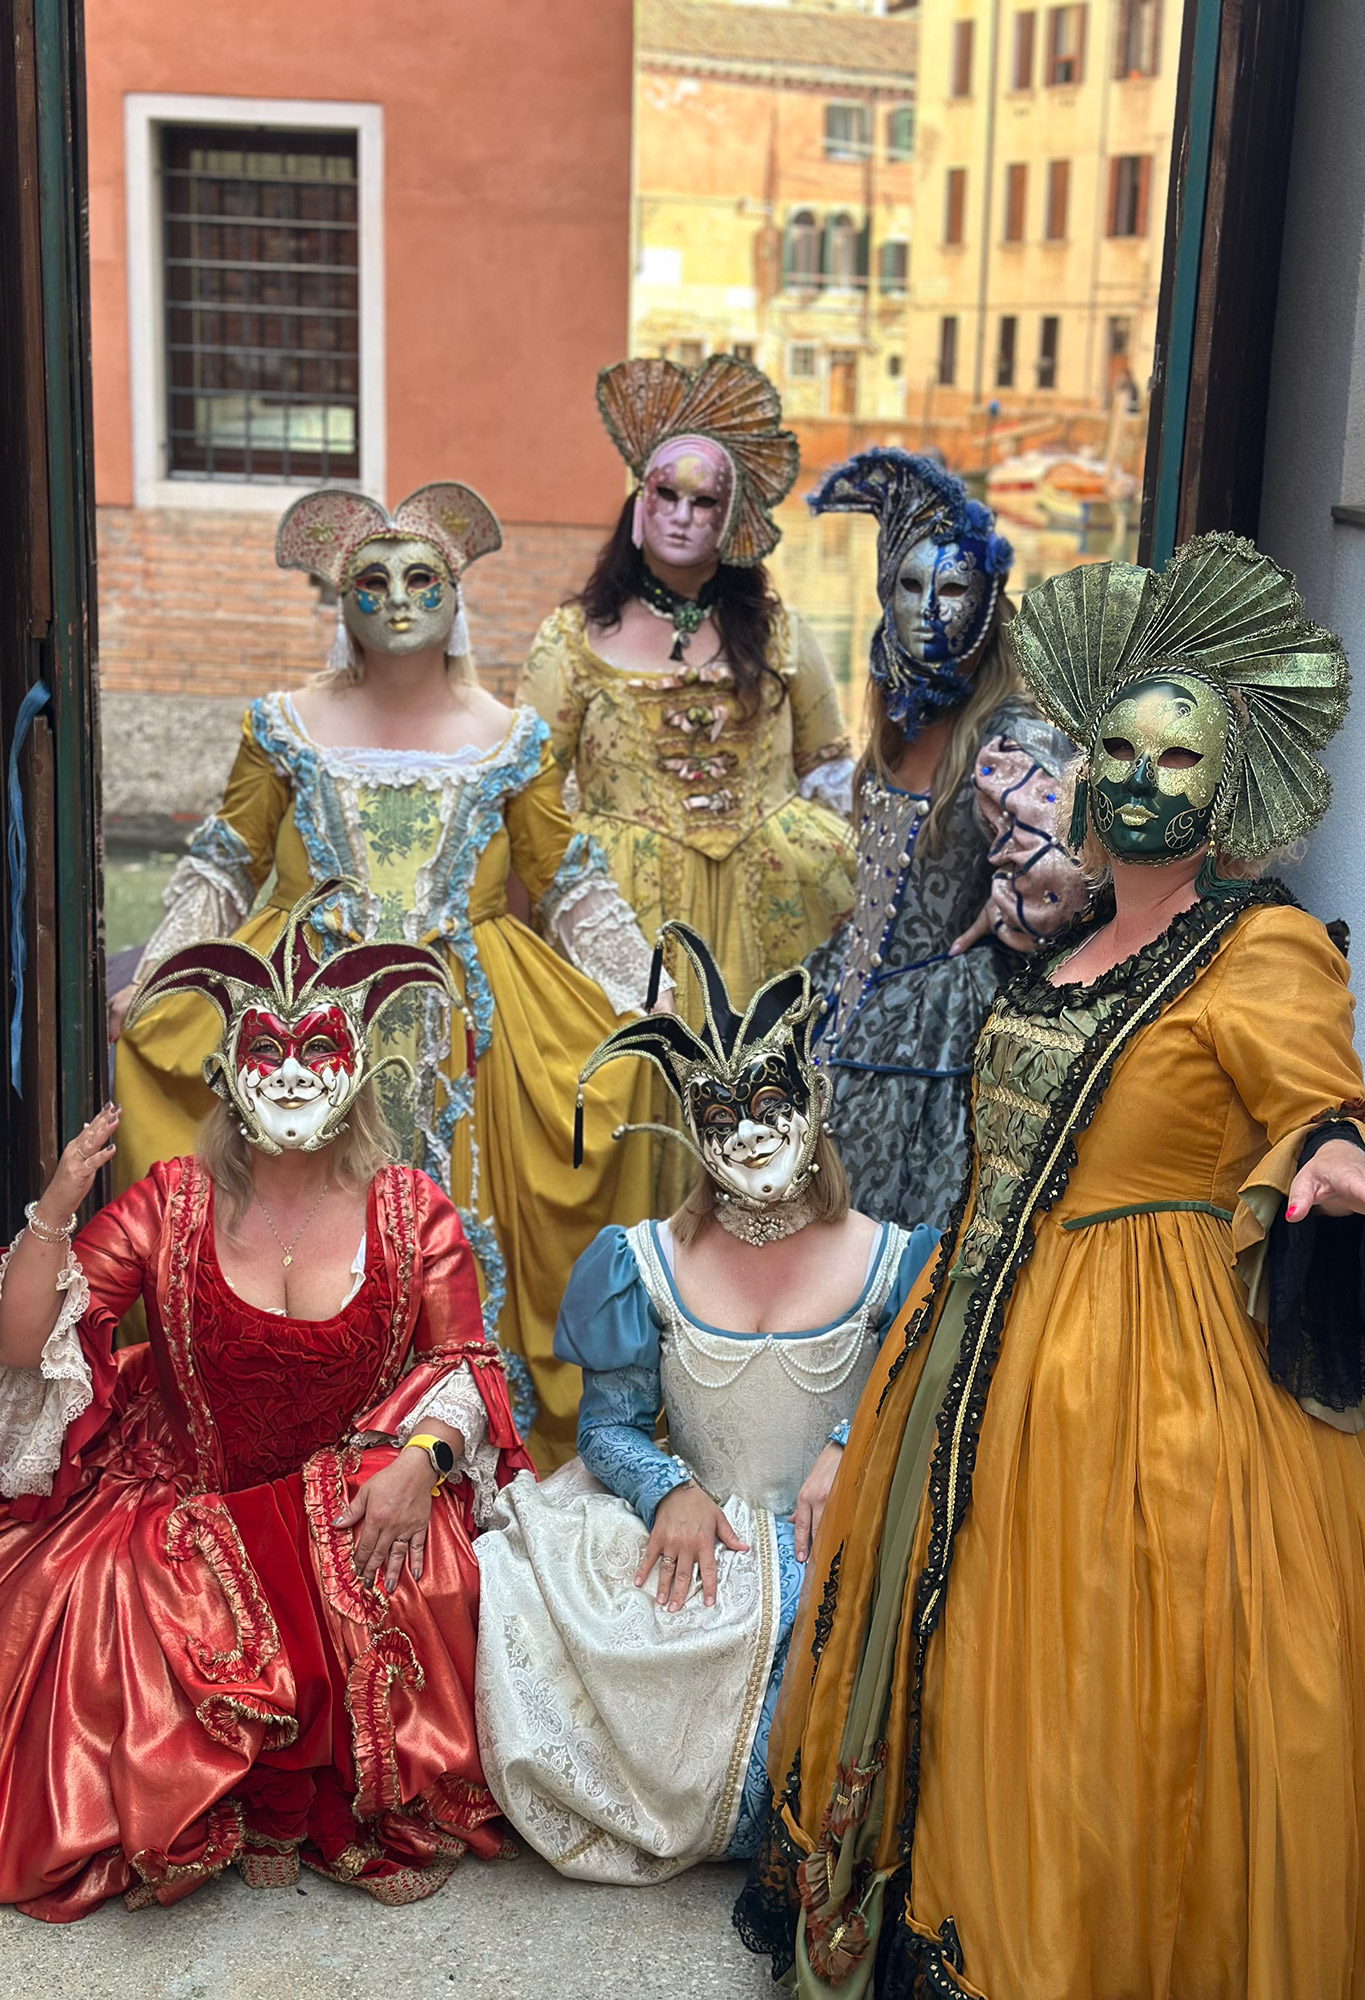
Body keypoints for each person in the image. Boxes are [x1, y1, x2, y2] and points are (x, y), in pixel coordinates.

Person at [735, 536, 1365, 1998]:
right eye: (1122, 749)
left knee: (1113, 1676)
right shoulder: (1063, 946)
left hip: (1143, 1386)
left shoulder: (1262, 950)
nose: (1146, 778)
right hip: (973, 1352)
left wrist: (1334, 1155)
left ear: (1232, 787)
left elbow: (1318, 1093)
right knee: (981, 1660)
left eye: (1181, 754)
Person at [0, 895, 531, 1918]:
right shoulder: (169, 1199)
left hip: (355, 1500)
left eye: (318, 1047)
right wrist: (57, 1205)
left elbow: (464, 1362)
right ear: (229, 1073)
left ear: (356, 1068)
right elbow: (24, 1346)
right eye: (268, 1049)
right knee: (93, 1597)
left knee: (420, 1563)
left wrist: (420, 1460)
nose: (292, 1071)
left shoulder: (413, 1209)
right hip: (184, 1494)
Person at [110, 482, 660, 1470]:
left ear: (457, 593)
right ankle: (298, 1438)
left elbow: (569, 881)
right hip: (305, 1020)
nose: (399, 598)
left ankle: (447, 1451)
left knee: (461, 1236)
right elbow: (223, 862)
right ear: (341, 598)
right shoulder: (284, 724)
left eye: (422, 578)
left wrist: (640, 998)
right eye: (373, 580)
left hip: (466, 1034)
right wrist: (159, 973)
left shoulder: (512, 738)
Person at [469, 923, 938, 1883]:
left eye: (769, 1106)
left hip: (836, 1531)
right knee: (514, 1577)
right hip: (704, 1529)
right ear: (694, 1131)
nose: (749, 1135)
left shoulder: (895, 1260)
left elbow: (930, 1396)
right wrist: (667, 1490)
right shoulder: (644, 1261)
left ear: (812, 1105)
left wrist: (851, 1445)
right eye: (722, 1117)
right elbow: (607, 1425)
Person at [517, 354, 857, 1024]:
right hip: (626, 906)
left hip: (779, 893)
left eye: (704, 503)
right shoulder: (571, 638)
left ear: (732, 520)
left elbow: (827, 768)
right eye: (666, 496)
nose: (681, 517)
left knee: (775, 1069)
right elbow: (531, 793)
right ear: (639, 504)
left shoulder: (783, 633)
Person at [803, 449, 1086, 1228]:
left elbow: (1076, 871)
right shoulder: (897, 727)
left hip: (944, 1037)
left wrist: (1017, 907)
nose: (929, 608)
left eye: (954, 587)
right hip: (843, 1005)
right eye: (909, 585)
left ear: (988, 600)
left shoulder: (1013, 736)